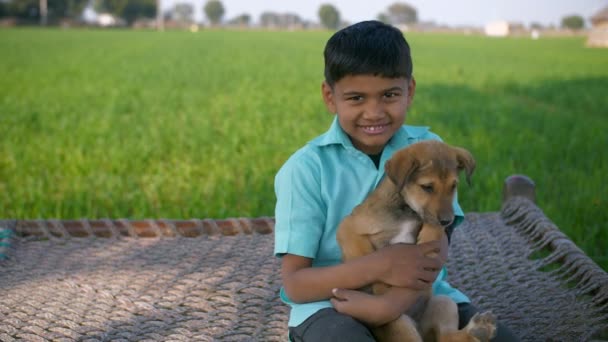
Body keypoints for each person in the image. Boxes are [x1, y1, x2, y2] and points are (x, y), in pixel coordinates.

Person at [273, 20, 518, 342]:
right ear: (330, 97)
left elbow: (437, 242)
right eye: (356, 98)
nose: (374, 112)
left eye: (389, 95)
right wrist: (381, 266)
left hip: (423, 297)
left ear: (410, 91)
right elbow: (295, 284)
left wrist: (391, 303)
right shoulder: (306, 169)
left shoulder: (430, 149)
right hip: (333, 304)